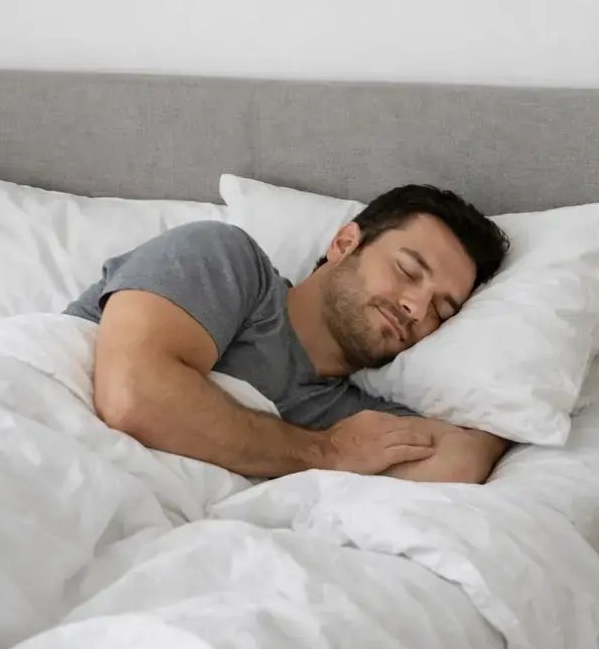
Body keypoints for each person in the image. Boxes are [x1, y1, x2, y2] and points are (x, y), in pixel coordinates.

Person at [65, 185, 511, 484]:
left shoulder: (354, 420)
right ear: (343, 244)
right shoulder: (226, 261)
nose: (416, 308)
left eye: (441, 309)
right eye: (408, 271)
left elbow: (460, 459)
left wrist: (502, 426)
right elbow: (134, 398)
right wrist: (324, 453)